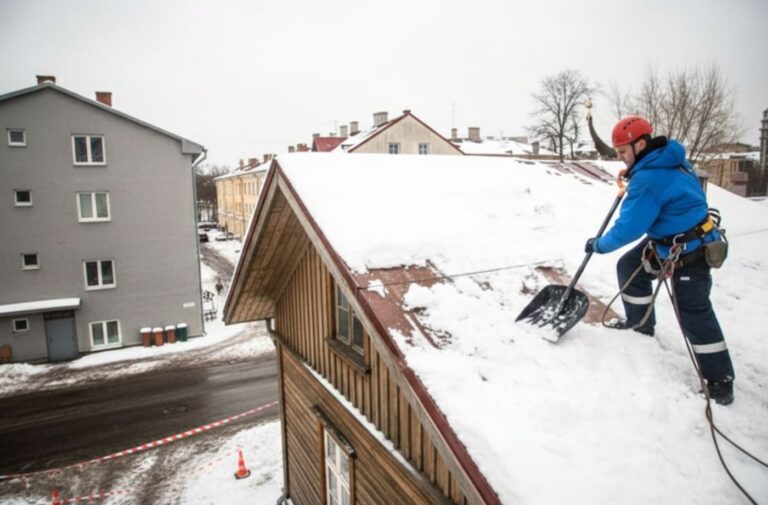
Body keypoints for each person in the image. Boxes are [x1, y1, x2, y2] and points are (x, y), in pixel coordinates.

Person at [584, 116, 735, 405]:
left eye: (623, 152)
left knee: (694, 312)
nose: (620, 158)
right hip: (666, 242)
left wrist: (598, 245)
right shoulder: (668, 158)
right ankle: (640, 323)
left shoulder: (649, 178)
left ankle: (720, 381)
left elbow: (628, 228)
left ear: (641, 145)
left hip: (691, 250)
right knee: (631, 267)